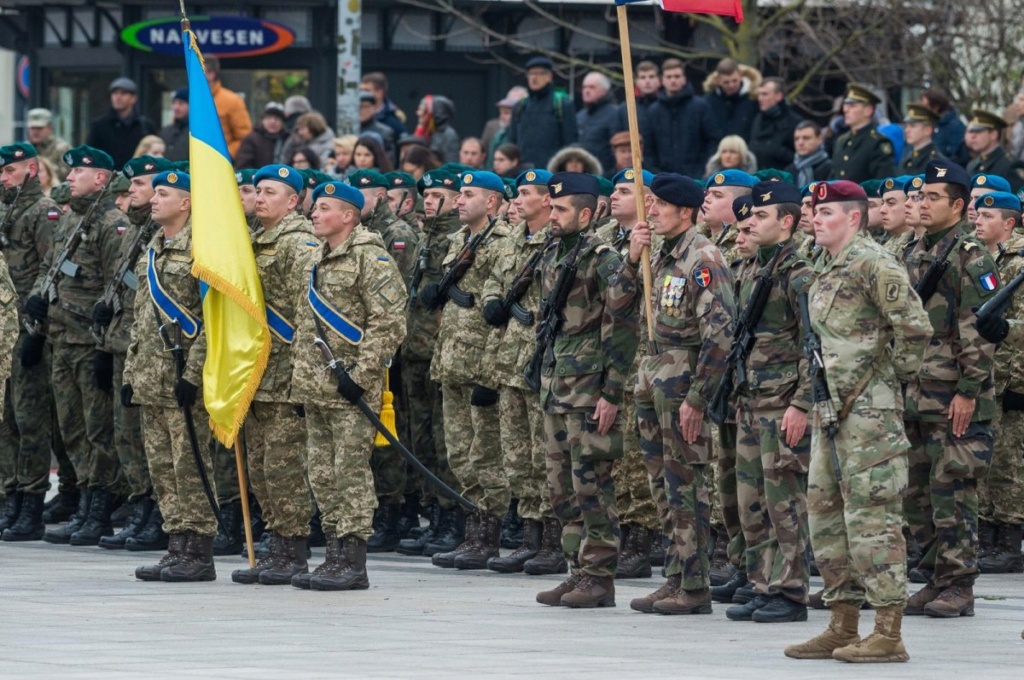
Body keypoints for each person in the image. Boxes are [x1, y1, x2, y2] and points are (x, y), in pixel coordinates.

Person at [783, 180, 930, 663]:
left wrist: (888, 385)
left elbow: (914, 328)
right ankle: (842, 624)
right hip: (831, 410)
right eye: (815, 211)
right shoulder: (822, 265)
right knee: (825, 518)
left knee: (873, 520)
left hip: (869, 415)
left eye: (826, 213)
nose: (815, 219)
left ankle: (888, 631)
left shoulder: (874, 262)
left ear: (853, 217)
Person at [617, 173, 734, 616]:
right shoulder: (659, 253)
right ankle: (674, 574)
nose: (651, 213)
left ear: (685, 211)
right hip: (653, 372)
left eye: (658, 205)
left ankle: (695, 583)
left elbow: (719, 334)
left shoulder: (702, 257)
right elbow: (618, 304)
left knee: (686, 484)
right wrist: (631, 258)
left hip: (684, 378)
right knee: (661, 484)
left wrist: (699, 397)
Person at [284, 177, 406, 590]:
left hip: (350, 388)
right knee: (321, 474)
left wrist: (361, 376)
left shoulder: (372, 259)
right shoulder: (314, 259)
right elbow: (304, 327)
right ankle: (333, 554)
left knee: (349, 472)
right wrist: (299, 382)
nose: (313, 213)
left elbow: (388, 324)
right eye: (314, 208)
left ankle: (353, 560)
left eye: (323, 209)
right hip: (315, 387)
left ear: (348, 216)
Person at [531, 172, 636, 609]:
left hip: (590, 388)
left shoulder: (604, 259)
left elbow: (622, 327)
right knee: (560, 487)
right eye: (550, 208)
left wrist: (612, 392)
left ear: (588, 214)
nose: (551, 215)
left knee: (591, 482)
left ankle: (599, 575)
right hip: (557, 383)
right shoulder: (555, 252)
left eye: (560, 209)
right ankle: (577, 569)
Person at [902, 160, 999, 619]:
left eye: (932, 197)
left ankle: (960, 584)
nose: (920, 204)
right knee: (917, 493)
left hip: (953, 394)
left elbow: (980, 330)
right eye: (918, 196)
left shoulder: (971, 255)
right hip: (915, 391)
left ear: (958, 205)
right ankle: (934, 576)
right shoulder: (913, 249)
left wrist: (967, 390)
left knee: (953, 490)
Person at [23, 147, 124, 548]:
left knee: (97, 430)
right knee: (70, 430)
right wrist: (37, 303)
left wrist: (105, 344)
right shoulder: (72, 221)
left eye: (80, 171)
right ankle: (82, 500)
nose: (70, 177)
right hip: (61, 337)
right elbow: (50, 270)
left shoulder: (110, 224)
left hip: (89, 340)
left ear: (100, 178)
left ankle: (99, 506)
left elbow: (117, 286)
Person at [722, 181, 812, 624]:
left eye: (761, 216)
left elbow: (815, 346)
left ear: (787, 222)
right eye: (750, 217)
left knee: (784, 504)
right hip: (751, 400)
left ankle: (791, 591)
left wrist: (802, 403)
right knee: (751, 502)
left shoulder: (799, 273)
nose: (751, 222)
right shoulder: (755, 269)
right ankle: (762, 583)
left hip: (782, 405)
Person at [121, 169, 217, 582]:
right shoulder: (154, 246)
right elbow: (142, 316)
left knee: (189, 464)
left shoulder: (204, 250)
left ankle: (199, 550)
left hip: (182, 378)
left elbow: (214, 320)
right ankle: (175, 543)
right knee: (161, 466)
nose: (153, 199)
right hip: (150, 377)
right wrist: (130, 373)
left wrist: (194, 374)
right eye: (154, 192)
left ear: (187, 202)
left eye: (163, 193)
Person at [227, 164, 316, 585]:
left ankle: (293, 548)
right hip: (256, 371)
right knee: (262, 467)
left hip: (286, 375)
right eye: (257, 191)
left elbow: (310, 313)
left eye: (270, 192)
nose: (259, 198)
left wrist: (304, 375)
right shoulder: (254, 240)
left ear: (293, 201)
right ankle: (275, 543)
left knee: (284, 467)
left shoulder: (299, 245)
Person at [421, 170, 511, 570]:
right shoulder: (458, 241)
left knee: (485, 454)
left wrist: (491, 374)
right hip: (451, 360)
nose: (459, 200)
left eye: (468, 194)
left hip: (480, 363)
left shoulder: (503, 243)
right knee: (458, 454)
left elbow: (500, 315)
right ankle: (470, 530)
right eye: (458, 194)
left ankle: (487, 535)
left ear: (491, 202)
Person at [478, 169, 565, 575]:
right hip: (508, 358)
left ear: (548, 201)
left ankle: (552, 539)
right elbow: (492, 279)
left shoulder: (558, 241)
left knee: (543, 450)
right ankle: (529, 534)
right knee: (516, 455)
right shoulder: (513, 238)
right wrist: (495, 301)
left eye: (529, 192)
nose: (520, 198)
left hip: (540, 358)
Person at [92, 155, 174, 551]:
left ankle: (159, 513)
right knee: (128, 434)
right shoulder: (134, 231)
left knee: (153, 437)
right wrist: (103, 343)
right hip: (124, 344)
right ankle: (140, 506)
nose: (136, 194)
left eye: (142, 187)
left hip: (156, 350)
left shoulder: (165, 234)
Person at [397, 168, 466, 557]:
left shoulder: (456, 239)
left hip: (441, 351)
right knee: (419, 437)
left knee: (445, 441)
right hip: (416, 349)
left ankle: (452, 516)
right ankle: (434, 515)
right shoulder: (429, 236)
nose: (428, 201)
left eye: (437, 194)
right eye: (427, 194)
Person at [597, 168, 661, 579]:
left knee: (640, 453)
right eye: (616, 189)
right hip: (611, 354)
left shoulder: (659, 239)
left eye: (626, 191)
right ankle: (622, 532)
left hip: (646, 354)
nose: (616, 196)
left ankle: (642, 539)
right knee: (616, 451)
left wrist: (640, 254)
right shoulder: (605, 240)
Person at [0, 143, 59, 542]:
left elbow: (49, 268)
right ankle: (10, 493)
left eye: (9, 171)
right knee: (6, 419)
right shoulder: (6, 210)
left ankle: (31, 501)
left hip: (28, 326)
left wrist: (35, 326)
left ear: (32, 170)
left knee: (29, 417)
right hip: (4, 326)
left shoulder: (43, 211)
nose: (3, 178)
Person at [970, 191, 1024, 574]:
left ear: (1009, 223)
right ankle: (986, 536)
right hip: (986, 374)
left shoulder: (1019, 262)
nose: (977, 220)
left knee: (1007, 463)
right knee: (986, 461)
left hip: (1013, 376)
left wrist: (1005, 331)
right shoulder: (980, 258)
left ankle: (1008, 539)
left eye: (987, 216)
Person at [643, 58, 721, 177]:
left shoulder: (700, 106)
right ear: (662, 80)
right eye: (669, 77)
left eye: (677, 76)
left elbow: (712, 141)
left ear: (684, 79)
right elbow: (648, 148)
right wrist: (656, 174)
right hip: (662, 178)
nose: (673, 80)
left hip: (696, 176)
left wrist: (703, 169)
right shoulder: (653, 111)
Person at [507, 56, 578, 169]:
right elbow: (512, 142)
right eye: (531, 74)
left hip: (552, 172)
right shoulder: (520, 106)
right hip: (524, 172)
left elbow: (570, 142)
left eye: (539, 73)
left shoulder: (562, 104)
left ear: (549, 76)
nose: (534, 78)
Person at [829, 84, 896, 183]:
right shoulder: (841, 141)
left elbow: (883, 182)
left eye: (852, 106)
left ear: (868, 110)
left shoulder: (877, 142)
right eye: (846, 105)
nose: (845, 110)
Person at [86, 77, 156, 168]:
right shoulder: (99, 126)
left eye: (123, 93)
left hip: (137, 177)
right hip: (108, 178)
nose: (118, 97)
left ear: (133, 98)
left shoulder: (146, 126)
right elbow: (91, 156)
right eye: (115, 93)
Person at [576, 72, 624, 178]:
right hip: (582, 175)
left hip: (604, 176)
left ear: (605, 90)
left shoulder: (615, 114)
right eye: (584, 87)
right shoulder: (580, 116)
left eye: (592, 87)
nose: (586, 91)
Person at [964, 109, 1024, 193]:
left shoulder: (1010, 165)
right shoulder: (972, 165)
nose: (973, 136)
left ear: (993, 135)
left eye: (978, 131)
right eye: (972, 132)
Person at [749, 78, 802, 172]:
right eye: (759, 94)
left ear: (778, 96)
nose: (760, 98)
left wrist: (777, 151)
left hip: (782, 176)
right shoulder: (757, 118)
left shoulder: (794, 122)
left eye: (764, 94)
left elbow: (799, 156)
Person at [204, 56, 252, 158]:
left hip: (220, 164)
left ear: (211, 74)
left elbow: (244, 137)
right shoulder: (189, 98)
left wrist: (223, 155)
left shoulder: (232, 100)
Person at [703, 58, 760, 141]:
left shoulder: (754, 99)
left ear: (741, 76)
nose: (731, 85)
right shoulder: (708, 102)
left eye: (735, 81)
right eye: (726, 82)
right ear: (718, 80)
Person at [921, 88, 969, 166]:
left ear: (936, 106)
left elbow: (959, 156)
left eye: (926, 107)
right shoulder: (931, 124)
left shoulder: (955, 126)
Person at [234, 102, 288, 170]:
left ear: (283, 123)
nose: (273, 121)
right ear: (263, 120)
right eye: (269, 118)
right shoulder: (251, 140)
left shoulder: (288, 140)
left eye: (277, 119)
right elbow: (242, 165)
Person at [483, 88, 527, 164]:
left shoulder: (524, 134)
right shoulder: (498, 133)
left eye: (507, 113)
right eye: (501, 112)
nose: (502, 116)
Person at [25, 108, 71, 181]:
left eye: (40, 128)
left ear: (49, 128)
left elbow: (67, 174)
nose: (35, 132)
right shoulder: (24, 148)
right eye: (33, 128)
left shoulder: (61, 148)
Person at [360, 71, 408, 142]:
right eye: (360, 90)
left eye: (367, 90)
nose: (362, 94)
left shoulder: (394, 122)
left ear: (379, 92)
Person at [900, 104, 947, 175]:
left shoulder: (937, 163)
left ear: (927, 130)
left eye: (913, 126)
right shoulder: (907, 159)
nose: (907, 130)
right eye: (906, 126)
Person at [413, 95, 460, 165]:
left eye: (424, 111)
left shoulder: (449, 135)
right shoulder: (424, 132)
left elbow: (451, 165)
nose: (419, 114)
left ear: (436, 114)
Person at [786, 121, 832, 185]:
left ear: (820, 139)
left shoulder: (830, 168)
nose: (800, 143)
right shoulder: (789, 171)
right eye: (796, 139)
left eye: (806, 138)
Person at [879, 176, 915, 255]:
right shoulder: (888, 244)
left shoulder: (918, 246)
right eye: (882, 203)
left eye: (891, 203)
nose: (882, 210)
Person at [359, 92, 397, 163]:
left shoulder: (385, 132)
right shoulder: (347, 130)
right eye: (359, 107)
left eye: (365, 107)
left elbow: (389, 161)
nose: (361, 110)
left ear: (374, 108)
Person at [159, 88, 190, 162]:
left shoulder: (196, 134)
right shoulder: (165, 132)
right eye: (174, 103)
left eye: (181, 103)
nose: (176, 107)